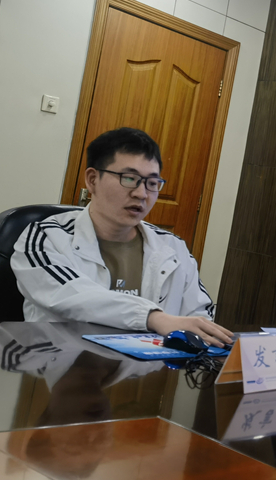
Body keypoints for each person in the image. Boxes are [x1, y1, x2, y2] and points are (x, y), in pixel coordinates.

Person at [12, 127, 233, 346]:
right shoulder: (46, 237)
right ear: (92, 180)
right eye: (129, 178)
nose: (141, 193)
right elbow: (71, 296)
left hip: (154, 367)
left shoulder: (173, 247)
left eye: (152, 183)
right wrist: (154, 318)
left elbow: (200, 317)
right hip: (64, 362)